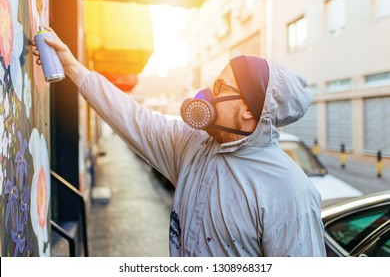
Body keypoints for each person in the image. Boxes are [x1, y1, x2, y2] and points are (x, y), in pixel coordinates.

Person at [33, 27, 326, 257]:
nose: (208, 93)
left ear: (249, 109)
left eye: (221, 87)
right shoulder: (192, 145)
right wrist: (72, 67)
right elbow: (134, 118)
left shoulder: (290, 193)